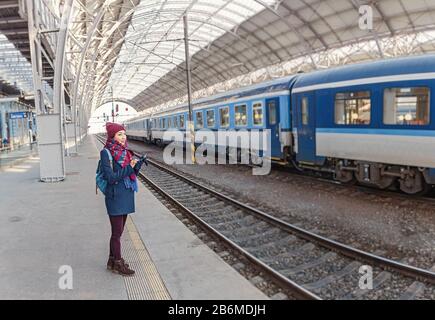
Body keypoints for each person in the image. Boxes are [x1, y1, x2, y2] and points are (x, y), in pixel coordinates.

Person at [100, 122, 145, 276]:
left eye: (124, 134)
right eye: (119, 134)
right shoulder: (106, 153)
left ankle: (112, 261)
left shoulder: (126, 152)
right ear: (112, 136)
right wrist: (129, 168)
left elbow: (131, 174)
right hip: (115, 196)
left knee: (119, 232)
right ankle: (118, 263)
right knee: (117, 233)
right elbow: (111, 178)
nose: (123, 137)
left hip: (126, 195)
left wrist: (137, 166)